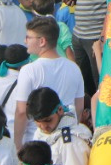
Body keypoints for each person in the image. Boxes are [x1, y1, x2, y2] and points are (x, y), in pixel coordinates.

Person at [13, 16, 84, 147]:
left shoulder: (28, 70)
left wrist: (17, 145)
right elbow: (79, 108)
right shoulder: (74, 68)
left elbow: (21, 111)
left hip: (37, 140)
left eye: (28, 37)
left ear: (42, 41)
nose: (25, 41)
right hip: (67, 139)